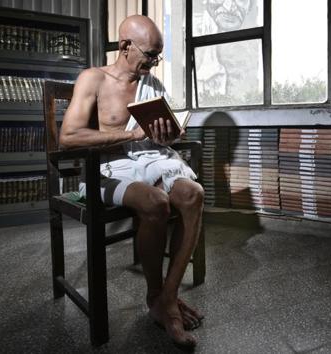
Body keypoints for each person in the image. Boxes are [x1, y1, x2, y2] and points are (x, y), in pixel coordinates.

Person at [59, 15, 204, 349]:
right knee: (155, 204)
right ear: (125, 46)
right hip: (108, 167)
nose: (153, 63)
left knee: (193, 194)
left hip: (151, 159)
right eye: (149, 55)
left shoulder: (152, 83)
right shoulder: (93, 79)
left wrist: (169, 136)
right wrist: (131, 134)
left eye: (158, 56)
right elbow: (68, 136)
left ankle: (166, 299)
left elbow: (157, 136)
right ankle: (157, 295)